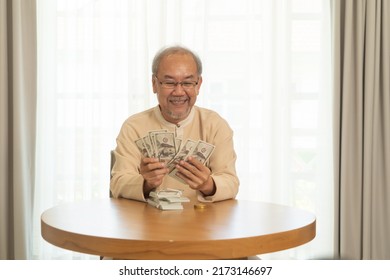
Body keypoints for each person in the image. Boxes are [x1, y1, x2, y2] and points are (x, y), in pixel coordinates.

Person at [110, 46, 239, 203]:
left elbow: (231, 183)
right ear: (154, 84)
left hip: (201, 222)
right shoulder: (134, 126)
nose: (179, 92)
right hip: (148, 223)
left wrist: (208, 184)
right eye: (169, 83)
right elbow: (117, 183)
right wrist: (145, 183)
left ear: (198, 85)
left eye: (187, 82)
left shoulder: (215, 125)